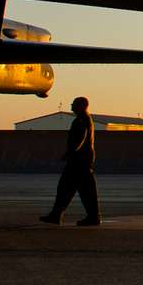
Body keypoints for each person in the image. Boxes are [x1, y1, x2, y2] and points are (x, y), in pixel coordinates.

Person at [40, 96, 101, 226]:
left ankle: (92, 217)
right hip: (81, 160)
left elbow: (80, 139)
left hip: (79, 161)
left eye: (73, 104)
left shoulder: (81, 120)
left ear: (80, 106)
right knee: (70, 188)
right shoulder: (85, 119)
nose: (71, 106)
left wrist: (70, 153)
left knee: (76, 189)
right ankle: (57, 214)